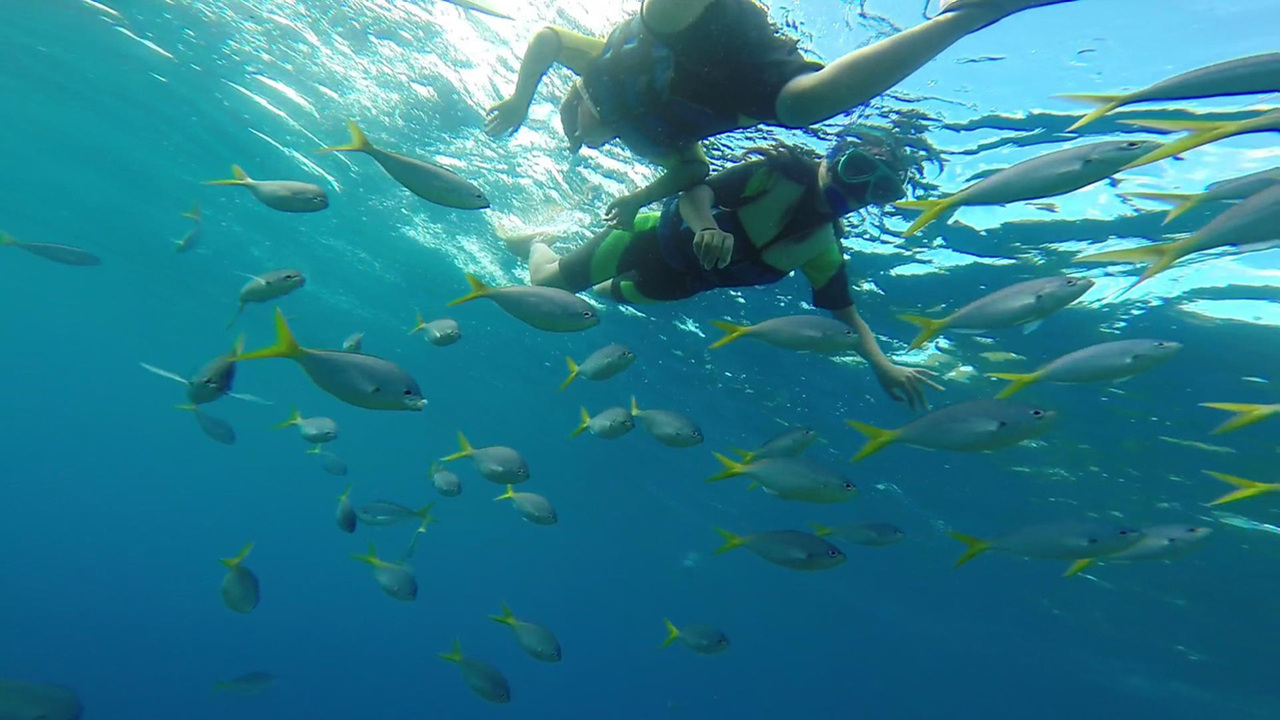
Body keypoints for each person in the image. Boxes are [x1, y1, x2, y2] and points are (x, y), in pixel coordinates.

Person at [486, 0, 1077, 228]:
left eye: (571, 113)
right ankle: (972, 15)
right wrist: (641, 199)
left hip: (704, 29)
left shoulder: (594, 72)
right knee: (803, 106)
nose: (578, 125)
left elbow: (544, 38)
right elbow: (691, 176)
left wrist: (520, 99)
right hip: (747, 75)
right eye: (579, 136)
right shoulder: (654, 146)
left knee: (659, 16)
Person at [528, 130, 942, 409]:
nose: (860, 189)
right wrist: (706, 226)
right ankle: (538, 240)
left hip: (673, 287)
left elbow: (846, 315)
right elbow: (695, 191)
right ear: (833, 159)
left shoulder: (822, 249)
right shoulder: (773, 175)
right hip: (645, 241)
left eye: (881, 189)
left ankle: (568, 249)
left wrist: (882, 364)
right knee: (546, 285)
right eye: (856, 170)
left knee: (601, 296)